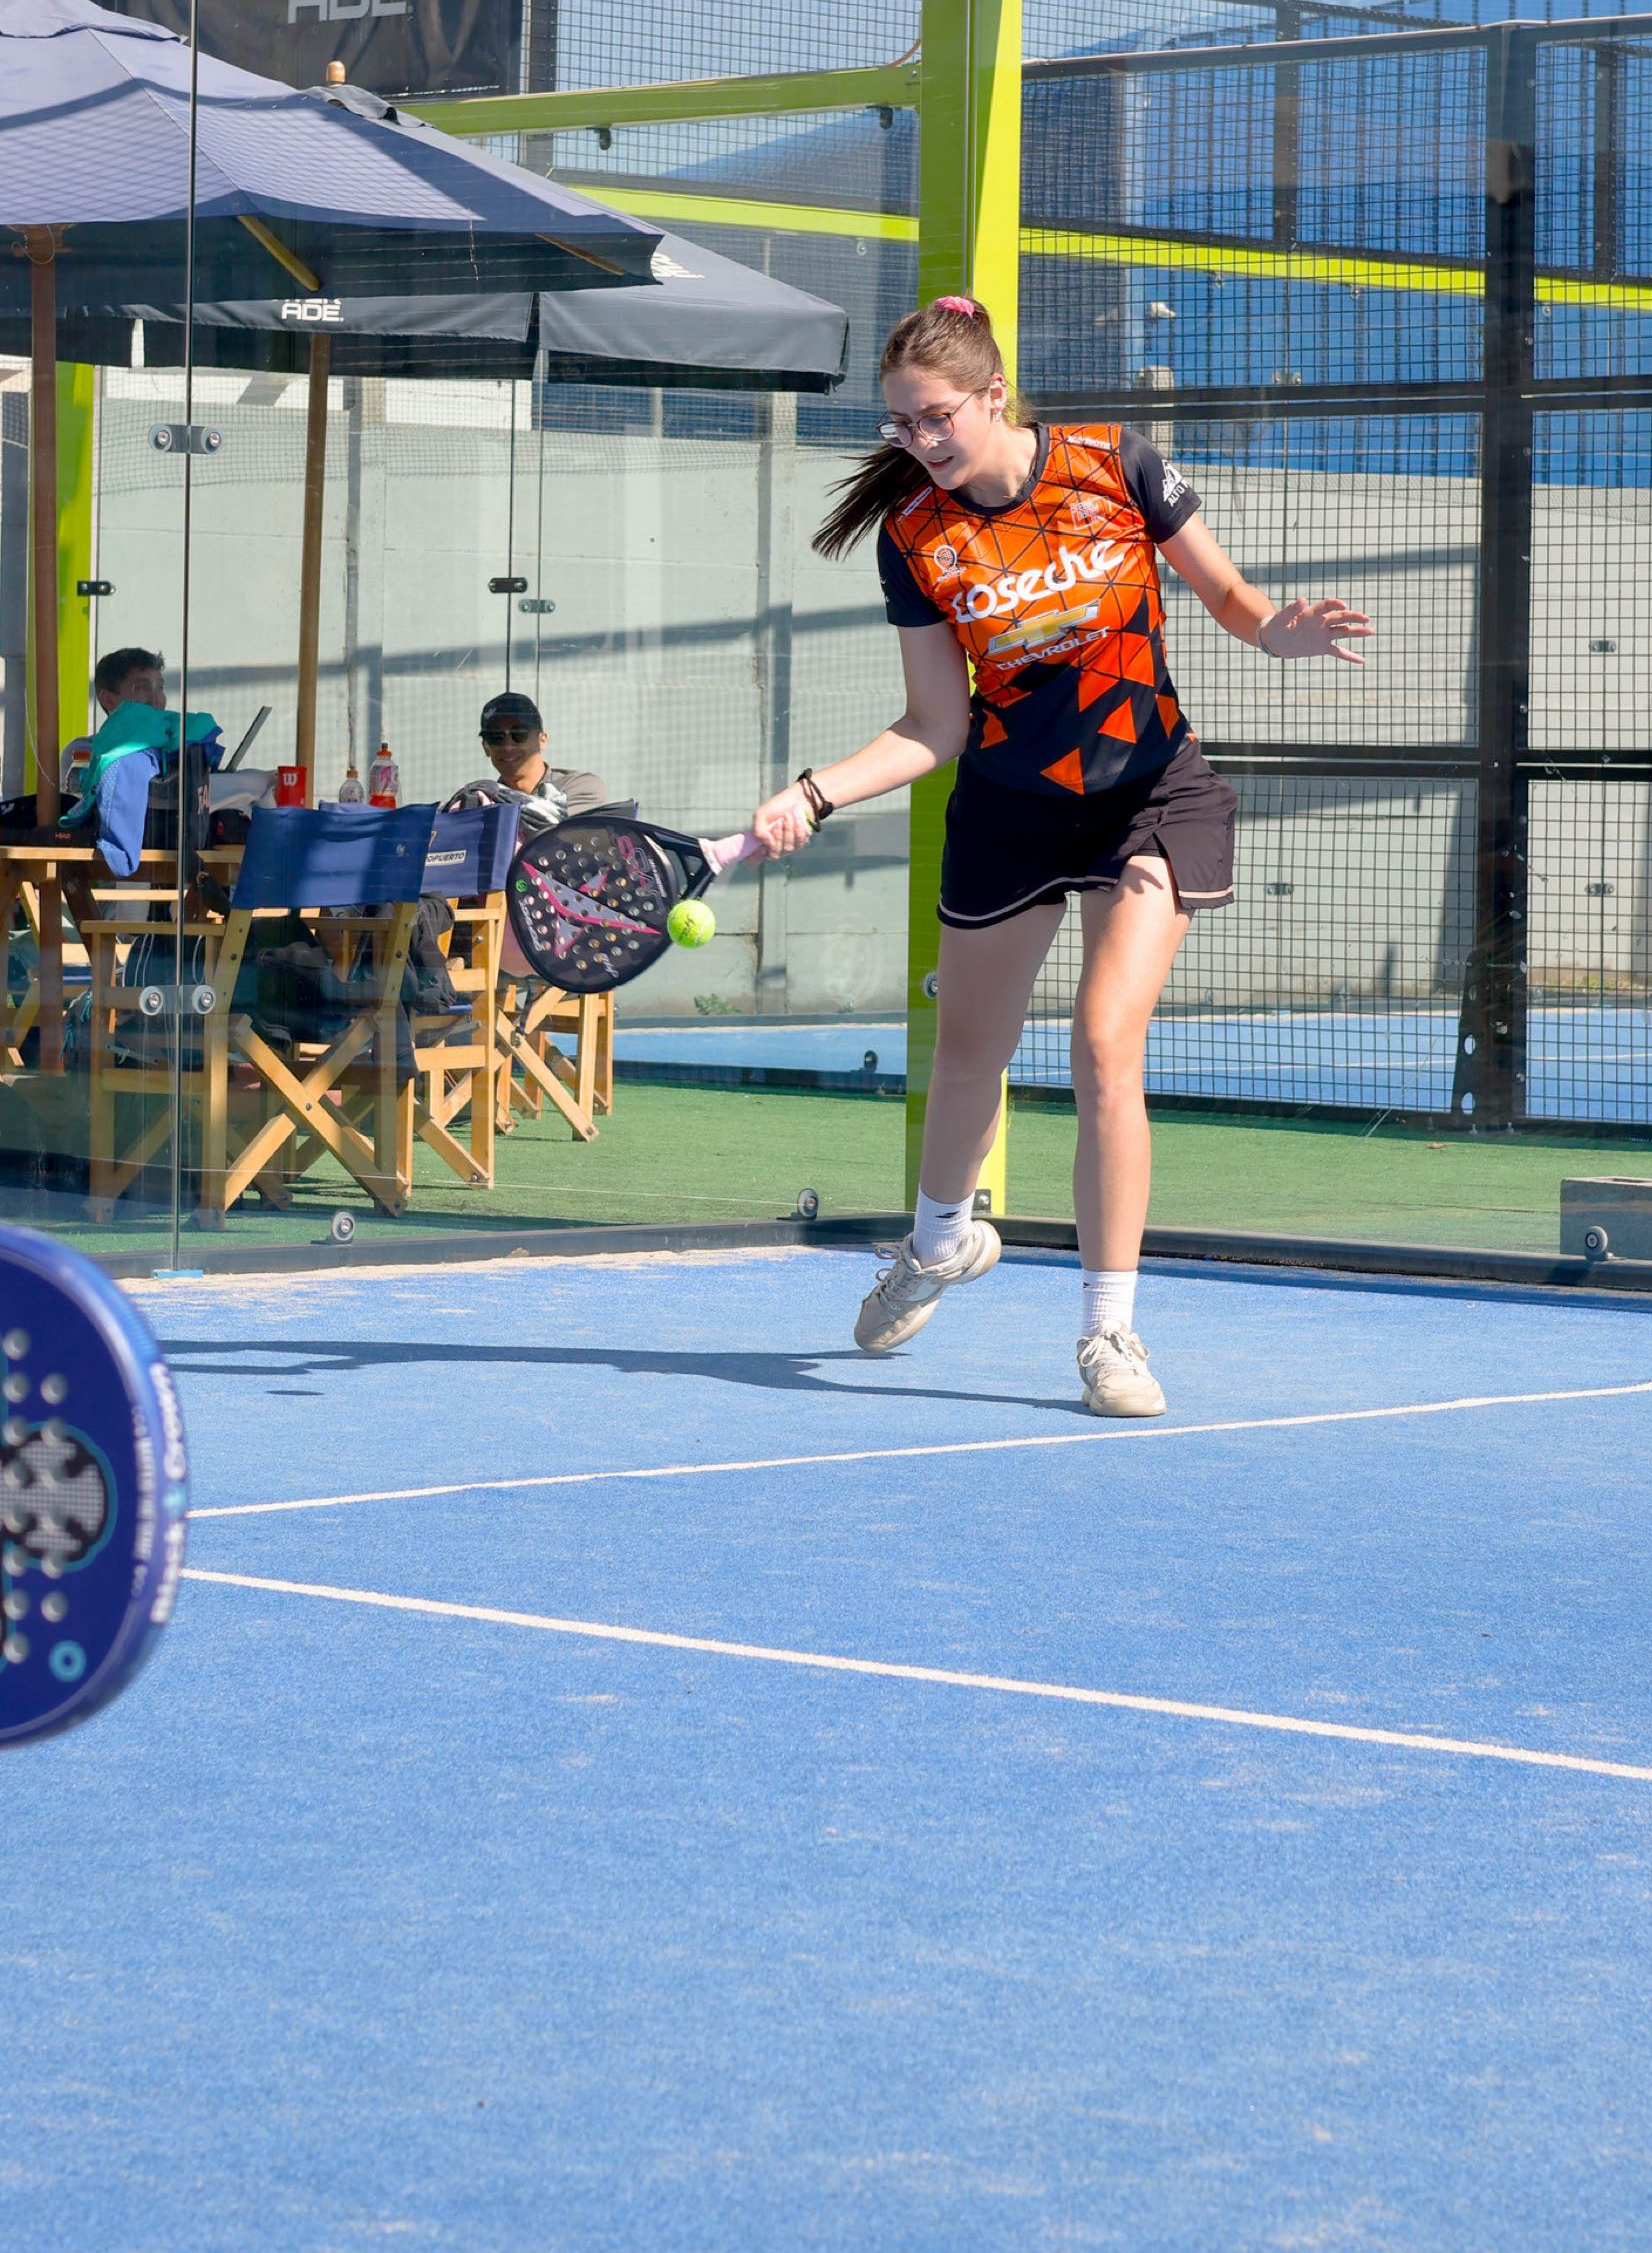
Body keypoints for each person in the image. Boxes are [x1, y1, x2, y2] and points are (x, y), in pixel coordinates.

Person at [750, 292, 1373, 1420]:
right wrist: (815, 791)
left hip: (1150, 792)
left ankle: (1108, 1331)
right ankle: (937, 1244)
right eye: (901, 424)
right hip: (1011, 807)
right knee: (969, 1056)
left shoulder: (1113, 466)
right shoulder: (915, 537)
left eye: (936, 417)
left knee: (1102, 1045)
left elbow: (1231, 597)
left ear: (993, 395)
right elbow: (934, 725)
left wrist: (1278, 631)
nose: (919, 441)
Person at [445, 693, 608, 834]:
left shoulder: (580, 787)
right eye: (496, 737)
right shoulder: (478, 798)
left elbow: (553, 832)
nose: (508, 747)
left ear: (542, 740)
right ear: (486, 747)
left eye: (519, 734)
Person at [60, 646, 166, 800]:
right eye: (142, 687)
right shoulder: (85, 752)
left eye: (160, 687)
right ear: (109, 699)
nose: (156, 699)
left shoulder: (175, 750)